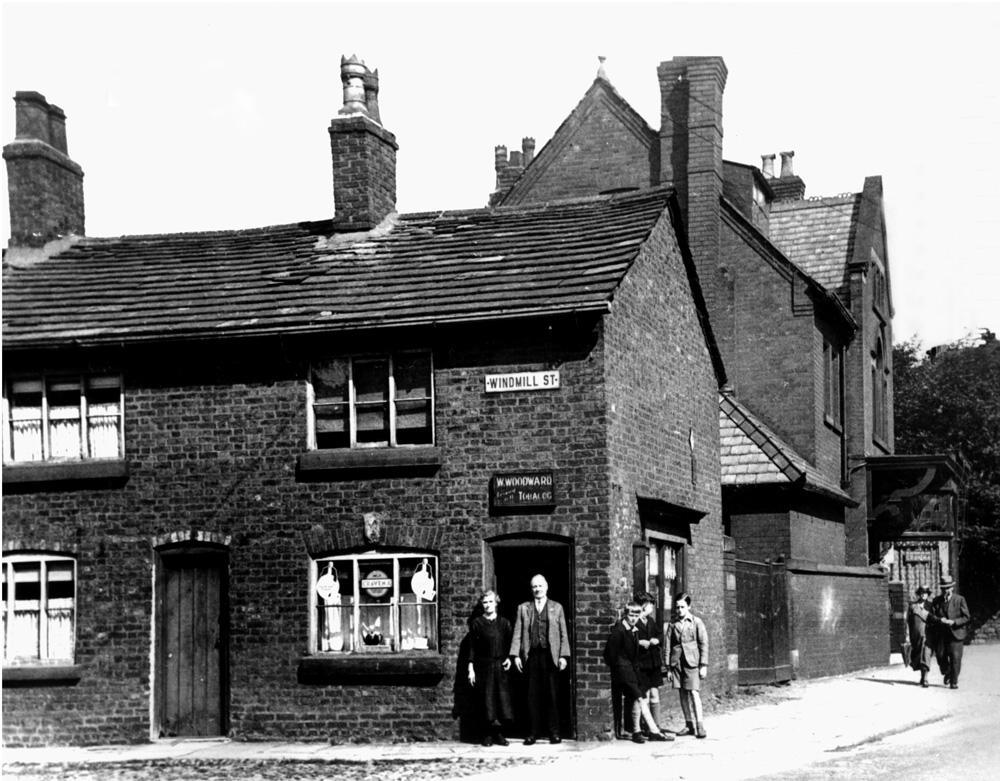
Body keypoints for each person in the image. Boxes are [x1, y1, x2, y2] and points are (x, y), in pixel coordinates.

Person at [508, 574, 570, 745]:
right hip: (532, 656)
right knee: (532, 696)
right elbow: (517, 633)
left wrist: (564, 656)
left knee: (552, 695)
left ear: (547, 587)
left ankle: (554, 732)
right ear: (531, 589)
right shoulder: (524, 608)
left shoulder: (557, 607)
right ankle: (532, 733)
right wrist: (515, 656)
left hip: (551, 656)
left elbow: (564, 633)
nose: (537, 589)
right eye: (534, 586)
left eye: (540, 586)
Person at [603, 599, 673, 743]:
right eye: (631, 616)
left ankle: (638, 731)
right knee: (640, 698)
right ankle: (653, 731)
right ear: (625, 615)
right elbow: (609, 654)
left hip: (633, 670)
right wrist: (620, 668)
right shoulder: (619, 631)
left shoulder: (633, 630)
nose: (634, 619)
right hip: (624, 671)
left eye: (636, 616)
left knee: (638, 697)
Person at [467, 590, 514, 746]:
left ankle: (499, 734)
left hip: (500, 667)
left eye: (490, 602)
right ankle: (487, 734)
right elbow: (472, 648)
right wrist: (471, 668)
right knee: (486, 700)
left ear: (496, 603)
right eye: (485, 602)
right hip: (483, 666)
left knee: (501, 700)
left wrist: (509, 658)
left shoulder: (504, 623)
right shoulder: (477, 624)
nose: (487, 605)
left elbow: (510, 644)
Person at [667, 592, 708, 739]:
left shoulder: (697, 622)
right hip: (677, 663)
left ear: (689, 606)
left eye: (682, 607)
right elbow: (668, 646)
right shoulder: (672, 624)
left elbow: (704, 644)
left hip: (692, 664)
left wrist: (703, 665)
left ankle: (700, 725)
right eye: (677, 607)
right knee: (682, 694)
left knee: (694, 693)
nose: (679, 610)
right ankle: (689, 724)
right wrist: (669, 668)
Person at [928, 576, 970, 689]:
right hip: (941, 634)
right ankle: (947, 672)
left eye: (947, 588)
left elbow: (966, 617)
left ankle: (954, 681)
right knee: (940, 656)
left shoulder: (960, 599)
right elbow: (932, 616)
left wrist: (954, 622)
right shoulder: (936, 601)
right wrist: (939, 620)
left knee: (955, 658)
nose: (945, 591)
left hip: (956, 634)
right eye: (943, 588)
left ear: (952, 588)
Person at [634, 591, 665, 736]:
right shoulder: (635, 621)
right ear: (643, 606)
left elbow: (660, 635)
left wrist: (657, 640)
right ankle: (647, 726)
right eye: (650, 605)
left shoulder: (651, 621)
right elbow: (629, 640)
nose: (652, 608)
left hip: (654, 663)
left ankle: (656, 725)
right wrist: (640, 642)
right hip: (642, 664)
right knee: (644, 694)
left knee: (655, 693)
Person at [906, 585, 934, 687]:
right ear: (919, 594)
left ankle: (925, 678)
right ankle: (922, 676)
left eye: (926, 593)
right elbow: (908, 621)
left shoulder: (931, 606)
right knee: (918, 655)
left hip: (927, 635)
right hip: (916, 635)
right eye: (922, 593)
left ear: (928, 594)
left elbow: (934, 620)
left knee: (926, 654)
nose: (924, 595)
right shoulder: (912, 606)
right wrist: (907, 635)